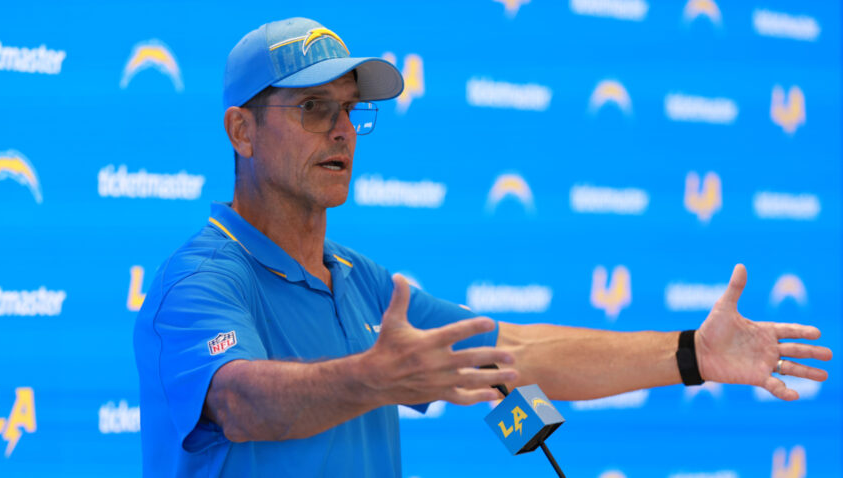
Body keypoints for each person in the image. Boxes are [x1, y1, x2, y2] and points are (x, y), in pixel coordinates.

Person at [133, 17, 833, 478]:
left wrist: (692, 354)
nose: (342, 130)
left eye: (349, 109)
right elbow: (239, 402)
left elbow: (515, 352)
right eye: (314, 108)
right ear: (242, 131)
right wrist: (374, 378)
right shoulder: (200, 280)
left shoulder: (358, 279)